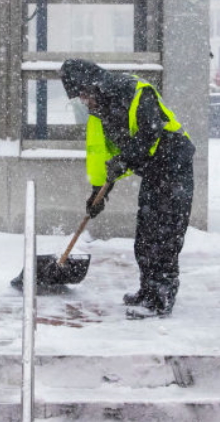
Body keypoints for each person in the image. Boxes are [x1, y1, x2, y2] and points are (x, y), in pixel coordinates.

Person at [59, 58, 196, 319]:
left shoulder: (135, 91)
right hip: (152, 170)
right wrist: (98, 194)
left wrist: (125, 159)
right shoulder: (98, 115)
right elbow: (100, 156)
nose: (84, 101)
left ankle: (161, 298)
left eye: (84, 94)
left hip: (173, 163)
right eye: (79, 97)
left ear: (94, 86)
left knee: (165, 234)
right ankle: (148, 290)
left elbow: (151, 133)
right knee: (145, 234)